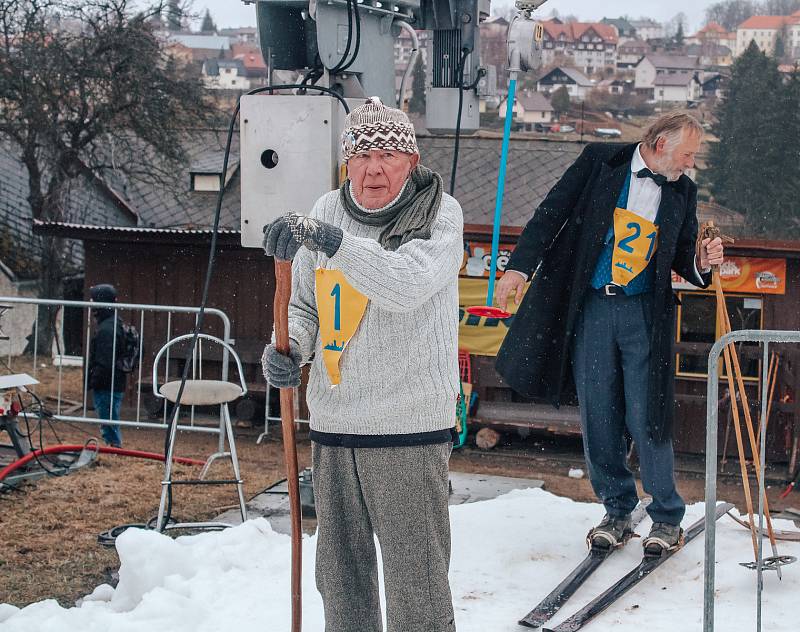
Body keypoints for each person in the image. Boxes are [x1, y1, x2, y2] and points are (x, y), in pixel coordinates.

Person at [261, 97, 462, 632]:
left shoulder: (439, 214)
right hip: (334, 427)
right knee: (341, 580)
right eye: (362, 155)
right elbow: (304, 304)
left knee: (415, 584)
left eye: (388, 154)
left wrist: (333, 242)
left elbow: (404, 284)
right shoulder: (326, 211)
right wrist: (288, 349)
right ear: (347, 162)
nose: (374, 168)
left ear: (411, 161)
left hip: (409, 428)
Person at [494, 112, 725, 555]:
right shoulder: (600, 160)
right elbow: (551, 213)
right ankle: (617, 508)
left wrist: (703, 258)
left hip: (645, 314)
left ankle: (666, 516)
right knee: (599, 411)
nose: (691, 164)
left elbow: (681, 257)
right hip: (594, 307)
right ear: (660, 143)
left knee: (648, 415)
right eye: (687, 154)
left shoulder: (682, 191)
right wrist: (518, 268)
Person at [88, 283, 127, 448]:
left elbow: (105, 362)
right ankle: (113, 446)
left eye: (93, 302)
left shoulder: (107, 329)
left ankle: (114, 447)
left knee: (108, 420)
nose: (91, 305)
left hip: (107, 384)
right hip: (113, 381)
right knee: (110, 418)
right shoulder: (114, 323)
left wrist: (93, 380)